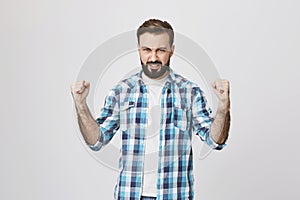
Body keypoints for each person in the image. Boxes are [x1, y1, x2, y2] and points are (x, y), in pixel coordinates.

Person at [70, 19, 230, 200]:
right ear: (139, 49)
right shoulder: (121, 91)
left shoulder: (190, 92)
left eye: (161, 50)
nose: (153, 57)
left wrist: (223, 108)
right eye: (147, 50)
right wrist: (81, 106)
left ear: (172, 50)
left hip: (175, 195)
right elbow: (96, 141)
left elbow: (215, 141)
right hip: (130, 195)